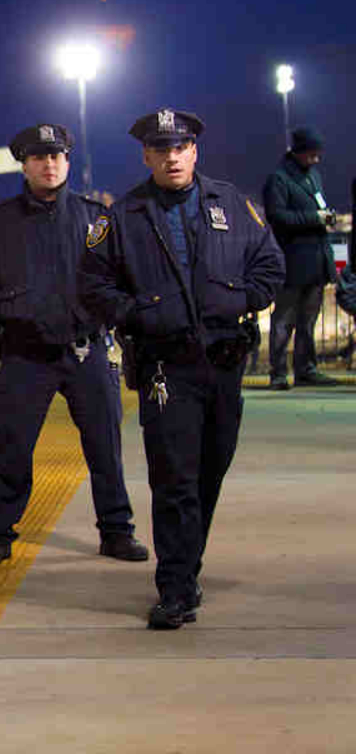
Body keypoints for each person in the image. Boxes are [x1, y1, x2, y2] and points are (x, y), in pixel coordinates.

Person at [79, 109, 285, 630]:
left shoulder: (233, 205)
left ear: (195, 152)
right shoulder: (120, 217)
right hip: (165, 368)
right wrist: (138, 313)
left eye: (181, 148)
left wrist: (235, 298)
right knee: (174, 479)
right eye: (161, 149)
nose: (172, 157)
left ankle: (187, 569)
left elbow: (271, 266)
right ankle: (173, 588)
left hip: (223, 362)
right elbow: (92, 284)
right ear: (146, 156)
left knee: (208, 474)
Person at [0, 123, 149, 568]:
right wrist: (1, 308)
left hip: (87, 349)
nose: (49, 164)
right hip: (26, 353)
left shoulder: (95, 219)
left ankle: (117, 531)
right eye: (39, 157)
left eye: (57, 156)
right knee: (13, 445)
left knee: (105, 445)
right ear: (24, 165)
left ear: (67, 161)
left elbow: (123, 274)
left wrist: (114, 312)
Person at [262, 126, 340, 389]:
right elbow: (277, 216)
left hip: (316, 262)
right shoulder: (279, 179)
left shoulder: (313, 176)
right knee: (284, 319)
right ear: (298, 152)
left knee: (308, 320)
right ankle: (279, 372)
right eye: (312, 154)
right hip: (293, 262)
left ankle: (306, 369)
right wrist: (313, 218)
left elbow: (315, 205)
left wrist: (325, 216)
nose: (316, 159)